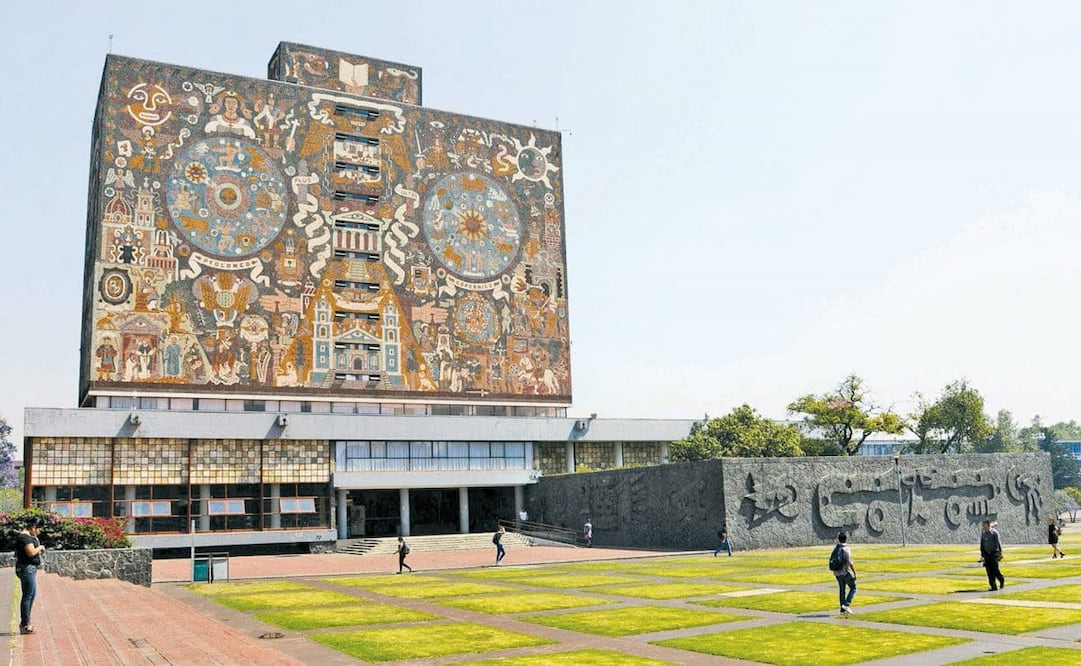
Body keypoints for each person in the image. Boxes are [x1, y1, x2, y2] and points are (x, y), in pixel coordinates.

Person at [15, 516, 45, 634]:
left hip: (29, 569)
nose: (39, 532)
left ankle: (26, 621)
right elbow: (31, 552)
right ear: (33, 527)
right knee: (28, 596)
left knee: (31, 595)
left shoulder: (29, 537)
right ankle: (25, 624)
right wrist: (40, 548)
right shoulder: (24, 537)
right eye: (38, 529)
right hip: (26, 569)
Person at [833, 531, 856, 615]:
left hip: (837, 573)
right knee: (853, 587)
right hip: (845, 572)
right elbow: (850, 562)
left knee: (842, 590)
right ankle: (846, 604)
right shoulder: (846, 549)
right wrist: (854, 572)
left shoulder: (836, 548)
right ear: (846, 539)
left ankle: (842, 609)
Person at [980, 519, 1005, 590]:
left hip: (994, 553)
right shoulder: (984, 533)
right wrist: (982, 554)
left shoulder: (994, 533)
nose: (982, 527)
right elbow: (982, 544)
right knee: (989, 571)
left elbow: (998, 543)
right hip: (987, 554)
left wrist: (1000, 553)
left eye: (983, 525)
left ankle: (1001, 580)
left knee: (995, 570)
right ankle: (993, 586)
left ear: (987, 525)